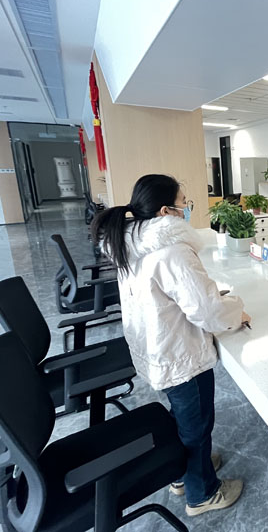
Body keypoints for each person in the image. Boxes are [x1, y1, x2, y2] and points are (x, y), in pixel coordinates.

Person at [91, 174, 249, 517]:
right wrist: (235, 310)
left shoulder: (131, 241)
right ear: (166, 211)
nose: (187, 209)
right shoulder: (172, 250)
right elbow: (207, 311)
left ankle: (185, 471)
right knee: (196, 424)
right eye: (184, 204)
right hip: (181, 353)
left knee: (182, 417)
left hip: (156, 348)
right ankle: (202, 493)